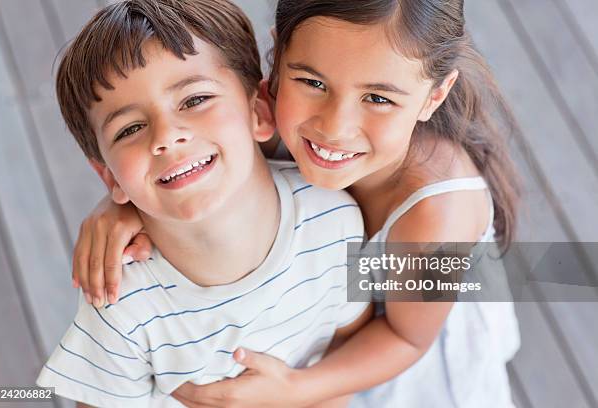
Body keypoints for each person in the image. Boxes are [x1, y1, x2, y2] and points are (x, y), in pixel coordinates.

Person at [75, 0, 522, 407]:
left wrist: (295, 390)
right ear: (278, 57)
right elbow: (190, 163)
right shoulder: (274, 121)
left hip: (398, 364)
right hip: (313, 337)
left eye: (378, 98)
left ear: (434, 96)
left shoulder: (439, 217)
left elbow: (406, 338)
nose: (334, 126)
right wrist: (121, 204)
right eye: (312, 82)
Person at [35, 1, 372, 406]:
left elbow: (363, 344)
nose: (166, 135)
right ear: (108, 176)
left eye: (194, 100)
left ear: (259, 110)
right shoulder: (120, 303)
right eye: (131, 128)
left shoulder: (337, 223)